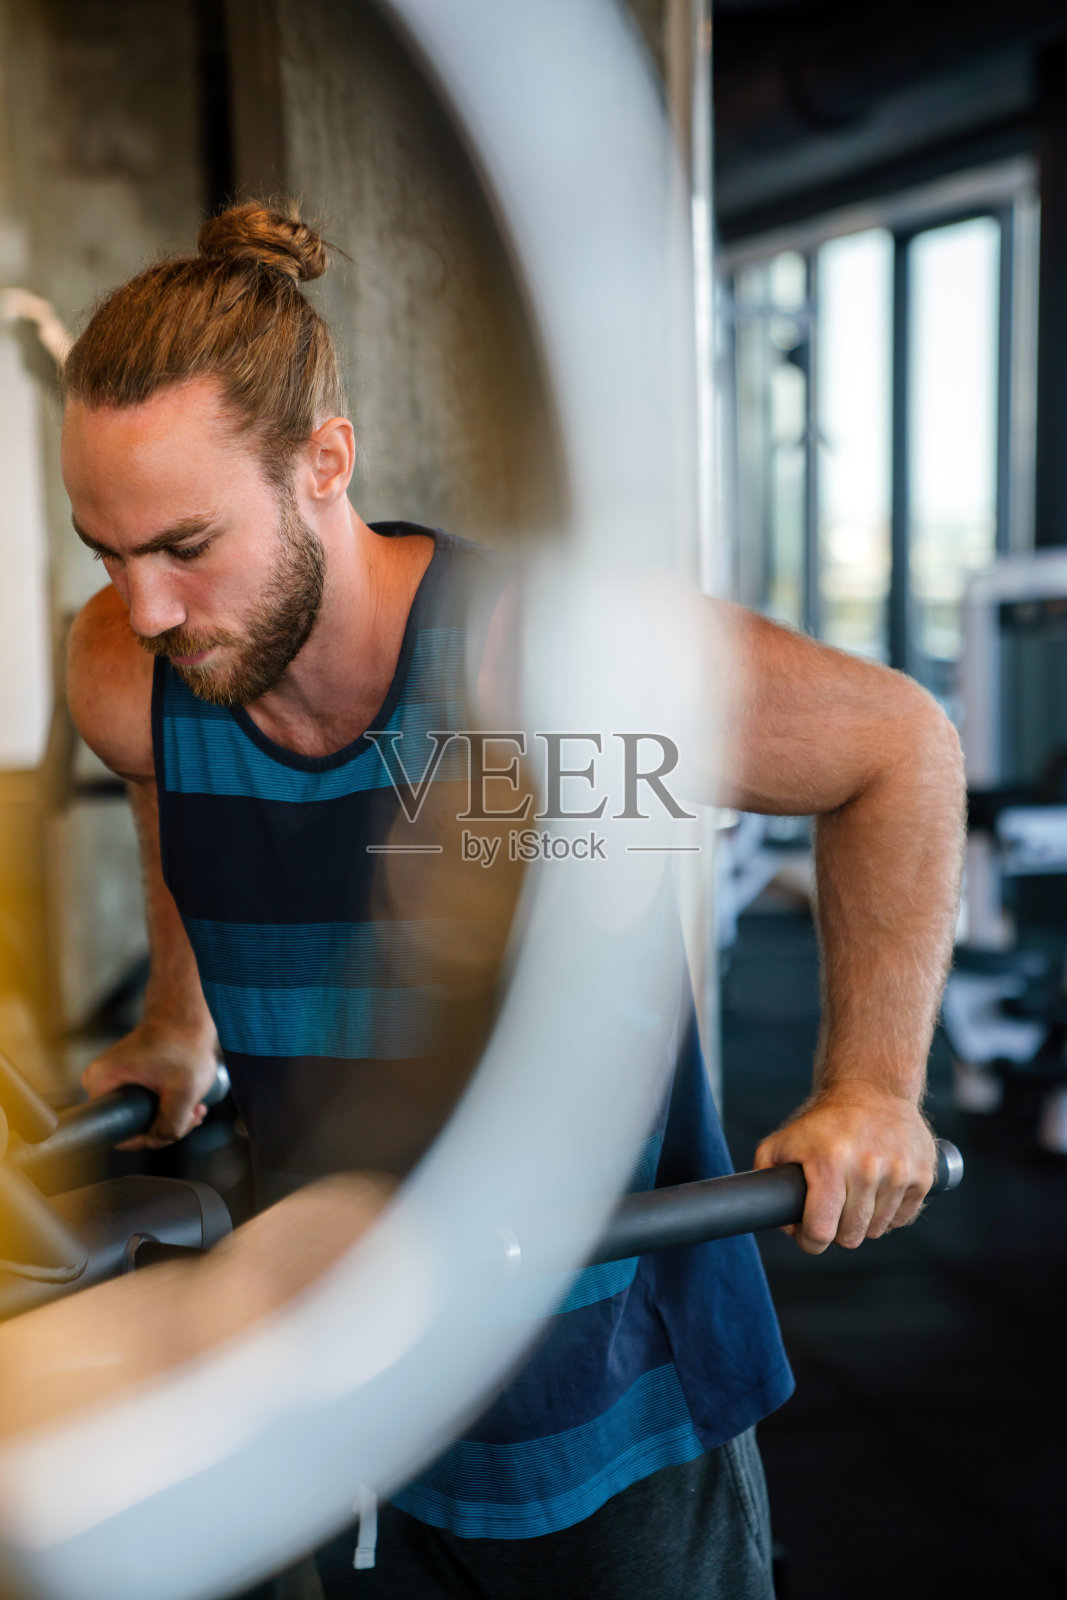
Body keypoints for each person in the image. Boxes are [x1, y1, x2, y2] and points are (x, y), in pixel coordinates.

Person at [58, 202, 963, 1599]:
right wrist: (184, 1018)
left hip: (609, 1392)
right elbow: (165, 779)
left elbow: (897, 748)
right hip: (345, 1388)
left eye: (185, 543)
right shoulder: (129, 673)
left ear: (325, 463)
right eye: (106, 553)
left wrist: (873, 1089)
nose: (148, 607)